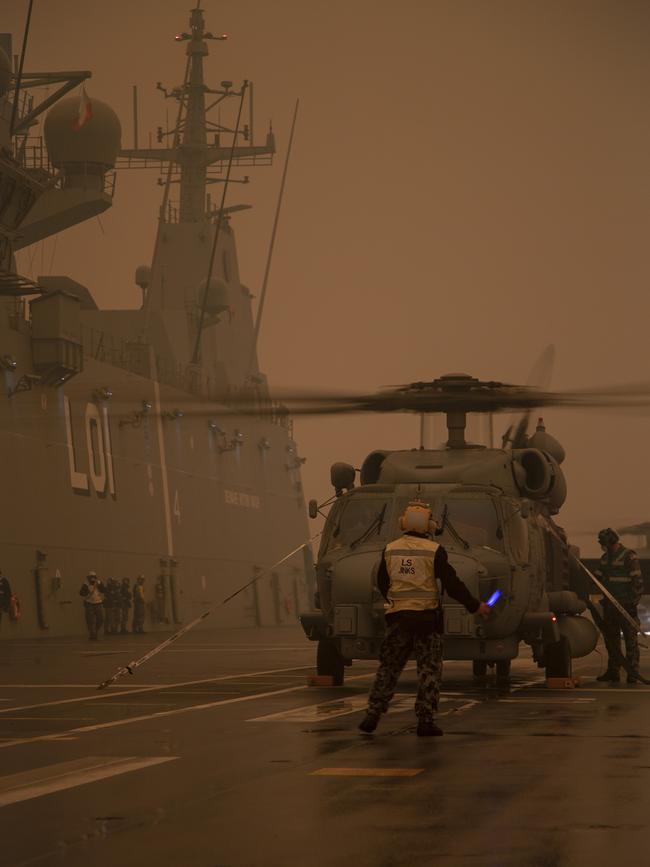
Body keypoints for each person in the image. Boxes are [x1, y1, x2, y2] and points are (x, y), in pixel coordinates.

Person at [359, 501, 490, 737]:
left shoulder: (390, 549)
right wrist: (474, 605)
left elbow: (381, 582)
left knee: (388, 668)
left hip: (398, 619)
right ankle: (425, 721)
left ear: (404, 523)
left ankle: (373, 714)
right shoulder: (434, 551)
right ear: (429, 525)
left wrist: (396, 599)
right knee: (428, 670)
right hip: (427, 621)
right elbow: (452, 584)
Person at [594, 528, 643, 683]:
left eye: (604, 543)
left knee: (630, 641)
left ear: (611, 542)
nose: (603, 546)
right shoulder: (604, 558)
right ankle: (613, 671)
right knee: (611, 641)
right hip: (610, 607)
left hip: (626, 606)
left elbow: (637, 583)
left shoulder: (629, 556)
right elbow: (598, 579)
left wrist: (632, 603)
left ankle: (633, 673)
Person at [79, 571, 105, 640]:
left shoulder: (98, 582)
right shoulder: (86, 584)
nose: (92, 579)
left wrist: (99, 585)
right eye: (91, 577)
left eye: (93, 577)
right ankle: (92, 633)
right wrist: (86, 591)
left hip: (98, 603)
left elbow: (104, 590)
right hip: (89, 603)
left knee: (101, 619)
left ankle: (95, 630)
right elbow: (81, 593)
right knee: (90, 620)